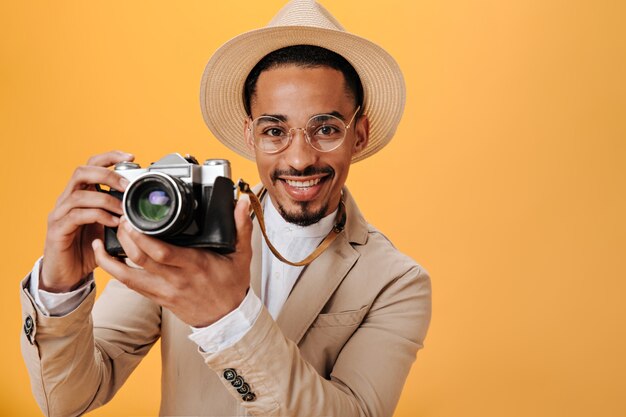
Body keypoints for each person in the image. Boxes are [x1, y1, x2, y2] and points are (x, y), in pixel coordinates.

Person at [20, 1, 432, 416]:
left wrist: (226, 316)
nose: (299, 158)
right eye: (275, 130)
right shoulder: (176, 233)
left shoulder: (396, 282)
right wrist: (60, 292)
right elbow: (68, 400)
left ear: (358, 135)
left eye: (325, 129)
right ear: (250, 136)